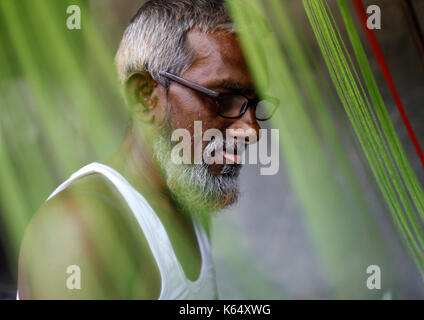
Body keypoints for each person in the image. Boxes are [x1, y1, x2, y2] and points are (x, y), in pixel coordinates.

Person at [17, 0, 276, 299]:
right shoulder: (80, 231)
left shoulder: (186, 192)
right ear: (145, 98)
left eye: (254, 104)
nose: (252, 131)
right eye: (224, 99)